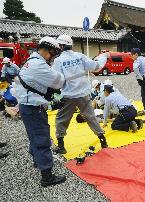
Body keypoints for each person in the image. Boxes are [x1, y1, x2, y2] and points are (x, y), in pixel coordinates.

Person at [15, 36, 66, 187]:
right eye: (53, 54)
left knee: (33, 136)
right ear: (46, 50)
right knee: (42, 138)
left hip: (26, 106)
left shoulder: (30, 62)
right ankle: (47, 176)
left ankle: (38, 161)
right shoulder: (39, 65)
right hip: (33, 109)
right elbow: (59, 81)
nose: (53, 58)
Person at [52, 34, 108, 154]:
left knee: (61, 119)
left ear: (61, 46)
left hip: (68, 96)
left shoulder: (58, 60)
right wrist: (103, 57)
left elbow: (56, 81)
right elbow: (95, 66)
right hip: (83, 94)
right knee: (90, 117)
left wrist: (57, 96)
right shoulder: (80, 56)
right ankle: (103, 140)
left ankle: (61, 146)